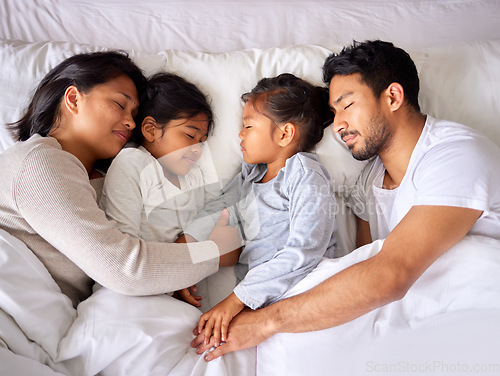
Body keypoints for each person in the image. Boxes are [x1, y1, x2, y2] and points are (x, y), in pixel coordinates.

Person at [191, 40, 500, 361]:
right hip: (406, 329)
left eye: (347, 105)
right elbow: (359, 274)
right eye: (335, 111)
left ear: (392, 96)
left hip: (474, 317)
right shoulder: (368, 182)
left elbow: (388, 275)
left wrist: (266, 321)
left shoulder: (456, 155)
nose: (337, 125)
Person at [0, 51, 240, 309]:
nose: (129, 122)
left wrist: (176, 268)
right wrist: (213, 252)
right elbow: (125, 269)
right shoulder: (38, 161)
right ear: (73, 99)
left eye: (134, 113)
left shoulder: (104, 180)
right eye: (119, 104)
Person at [182, 73, 337, 348]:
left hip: (304, 292)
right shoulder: (251, 175)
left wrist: (235, 300)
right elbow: (219, 206)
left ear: (285, 133)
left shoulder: (304, 175)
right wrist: (182, 256)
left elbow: (305, 250)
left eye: (249, 126)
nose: (240, 134)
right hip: (259, 303)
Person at [99, 72, 221, 308]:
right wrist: (174, 274)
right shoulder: (133, 163)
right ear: (151, 130)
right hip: (128, 290)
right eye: (189, 135)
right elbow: (123, 244)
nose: (197, 149)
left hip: (181, 294)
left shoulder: (195, 178)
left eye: (202, 141)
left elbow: (216, 222)